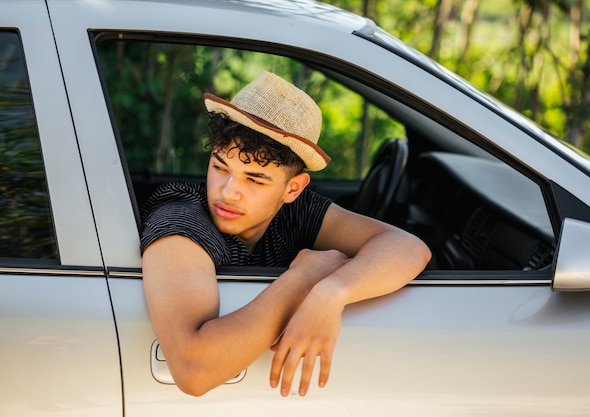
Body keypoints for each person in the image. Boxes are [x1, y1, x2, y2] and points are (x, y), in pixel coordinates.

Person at [140, 70, 431, 397]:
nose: (228, 192)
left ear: (292, 189)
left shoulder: (296, 211)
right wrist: (303, 280)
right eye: (220, 168)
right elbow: (194, 371)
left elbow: (407, 248)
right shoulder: (181, 220)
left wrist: (331, 293)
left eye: (255, 180)